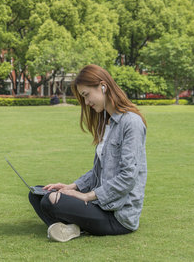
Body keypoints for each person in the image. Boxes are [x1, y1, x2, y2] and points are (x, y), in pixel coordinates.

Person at [28, 64, 147, 242]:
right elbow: (98, 171)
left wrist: (86, 196)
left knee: (50, 200)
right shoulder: (104, 123)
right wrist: (72, 187)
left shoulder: (131, 123)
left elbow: (128, 177)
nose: (86, 103)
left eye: (86, 95)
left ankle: (74, 227)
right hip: (99, 205)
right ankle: (75, 228)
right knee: (38, 194)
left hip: (118, 215)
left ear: (103, 86)